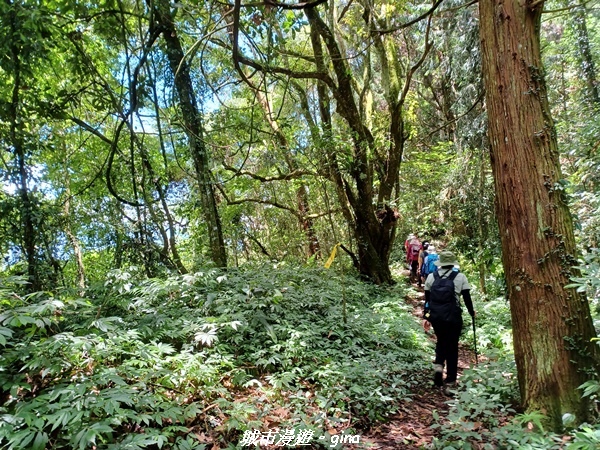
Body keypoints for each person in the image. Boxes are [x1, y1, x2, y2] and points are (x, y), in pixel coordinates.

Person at [422, 251, 475, 396]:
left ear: (440, 263)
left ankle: (438, 369)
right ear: (452, 263)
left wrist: (426, 317)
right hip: (453, 317)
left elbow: (427, 301)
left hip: (436, 317)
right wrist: (472, 312)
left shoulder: (431, 277)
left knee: (440, 342)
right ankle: (450, 381)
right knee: (452, 346)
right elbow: (467, 298)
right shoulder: (460, 277)